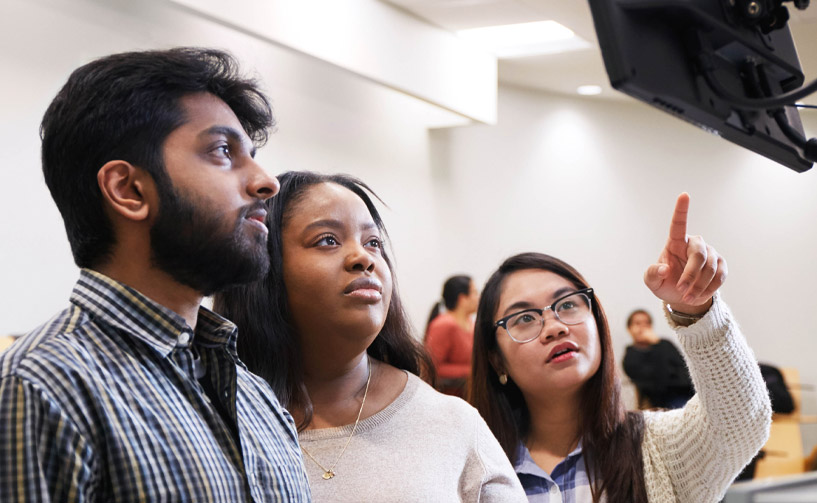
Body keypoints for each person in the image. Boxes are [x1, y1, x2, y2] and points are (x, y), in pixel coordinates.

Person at [0, 48, 311, 502]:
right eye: (223, 151)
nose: (267, 181)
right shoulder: (42, 388)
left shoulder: (253, 394)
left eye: (254, 155)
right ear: (129, 190)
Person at [214, 171, 526, 502]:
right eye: (328, 240)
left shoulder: (450, 422)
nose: (363, 258)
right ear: (263, 267)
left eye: (373, 242)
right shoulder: (214, 424)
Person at [470, 193, 771, 502]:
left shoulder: (657, 448)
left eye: (569, 304)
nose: (555, 327)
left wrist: (696, 309)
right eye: (524, 318)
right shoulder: (474, 473)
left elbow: (740, 424)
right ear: (496, 360)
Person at [622, 309, 694, 409]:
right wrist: (655, 343)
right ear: (629, 329)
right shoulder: (631, 358)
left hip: (692, 392)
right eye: (638, 323)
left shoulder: (665, 344)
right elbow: (659, 384)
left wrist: (657, 344)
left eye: (647, 323)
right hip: (667, 401)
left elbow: (686, 369)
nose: (643, 327)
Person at [425, 274, 479, 396]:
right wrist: (471, 371)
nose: (478, 297)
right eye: (475, 292)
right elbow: (432, 368)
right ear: (462, 298)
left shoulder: (471, 323)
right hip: (449, 398)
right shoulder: (443, 325)